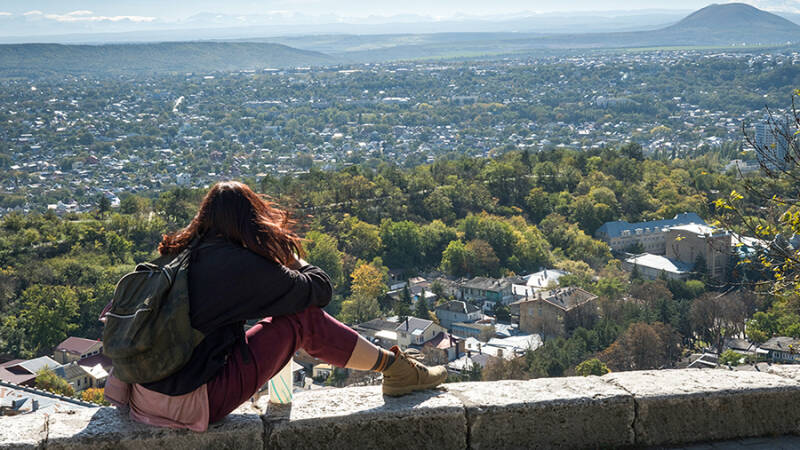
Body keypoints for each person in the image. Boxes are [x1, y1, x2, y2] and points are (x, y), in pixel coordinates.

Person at [103, 181, 447, 432]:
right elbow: (319, 290)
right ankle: (397, 369)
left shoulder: (178, 255)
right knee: (300, 318)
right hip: (191, 404)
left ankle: (396, 369)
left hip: (141, 396)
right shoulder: (237, 264)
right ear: (250, 220)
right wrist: (288, 257)